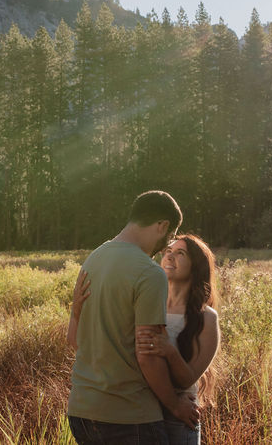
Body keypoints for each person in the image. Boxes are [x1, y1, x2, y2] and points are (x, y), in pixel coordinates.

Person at [66, 190, 198, 444]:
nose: (164, 249)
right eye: (168, 238)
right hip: (128, 418)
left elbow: (74, 341)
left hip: (81, 413)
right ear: (162, 225)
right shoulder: (148, 273)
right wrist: (175, 405)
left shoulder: (93, 260)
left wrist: (75, 310)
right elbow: (147, 354)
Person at [136, 234, 220, 445]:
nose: (170, 257)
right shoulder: (145, 306)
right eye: (168, 252)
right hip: (139, 414)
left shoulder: (207, 318)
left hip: (179, 417)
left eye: (180, 253)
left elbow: (187, 379)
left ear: (196, 266)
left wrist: (169, 351)